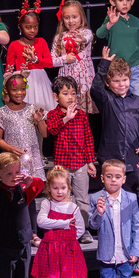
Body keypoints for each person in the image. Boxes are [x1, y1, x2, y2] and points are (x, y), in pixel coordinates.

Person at [0, 72, 47, 241]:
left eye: (23, 89)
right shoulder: (2, 113)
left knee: (29, 198)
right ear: (6, 90)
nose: (19, 93)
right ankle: (15, 232)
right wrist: (10, 148)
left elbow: (44, 134)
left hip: (31, 161)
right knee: (15, 198)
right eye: (15, 89)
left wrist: (40, 120)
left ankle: (33, 233)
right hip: (14, 163)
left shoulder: (32, 109)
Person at [89, 159, 139, 278]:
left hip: (125, 252)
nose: (113, 180)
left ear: (124, 179)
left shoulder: (131, 198)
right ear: (102, 178)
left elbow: (136, 226)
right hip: (107, 252)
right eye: (109, 176)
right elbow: (93, 225)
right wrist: (99, 212)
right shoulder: (96, 198)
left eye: (117, 176)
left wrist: (135, 250)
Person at [34, 166, 87, 278]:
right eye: (55, 187)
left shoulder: (73, 207)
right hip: (51, 249)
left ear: (68, 188)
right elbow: (41, 221)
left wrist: (69, 240)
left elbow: (80, 228)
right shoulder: (47, 203)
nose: (59, 191)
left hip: (68, 249)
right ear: (49, 187)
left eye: (63, 187)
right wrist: (62, 224)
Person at [91, 49, 139, 194]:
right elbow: (95, 89)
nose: (121, 84)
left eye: (125, 80)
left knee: (132, 200)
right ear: (108, 82)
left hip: (132, 159)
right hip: (110, 160)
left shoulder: (138, 101)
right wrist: (104, 64)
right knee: (109, 199)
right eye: (116, 81)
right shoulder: (106, 99)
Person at [45, 76, 97, 243]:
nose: (70, 97)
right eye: (65, 93)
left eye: (73, 93)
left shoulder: (81, 115)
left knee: (82, 198)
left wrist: (90, 162)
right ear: (55, 97)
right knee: (62, 198)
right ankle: (62, 227)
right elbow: (51, 131)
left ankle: (84, 230)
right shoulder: (53, 115)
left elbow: (89, 139)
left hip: (80, 164)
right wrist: (66, 118)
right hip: (62, 166)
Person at [98, 0, 139, 100]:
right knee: (117, 100)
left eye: (128, 0)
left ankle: (138, 119)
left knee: (138, 99)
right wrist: (110, 23)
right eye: (120, 0)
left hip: (134, 66)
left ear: (132, 1)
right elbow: (100, 34)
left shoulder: (136, 21)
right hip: (117, 67)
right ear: (113, 2)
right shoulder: (112, 19)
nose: (125, 3)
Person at [5, 0, 56, 111]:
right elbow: (8, 70)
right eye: (28, 27)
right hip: (22, 81)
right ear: (20, 27)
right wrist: (7, 90)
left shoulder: (41, 42)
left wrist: (36, 60)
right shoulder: (14, 45)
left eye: (35, 27)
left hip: (40, 82)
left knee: (42, 110)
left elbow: (50, 63)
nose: (32, 30)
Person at [52, 0, 97, 113]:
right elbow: (51, 60)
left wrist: (82, 39)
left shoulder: (85, 32)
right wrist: (64, 59)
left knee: (83, 112)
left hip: (84, 79)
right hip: (66, 77)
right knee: (68, 110)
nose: (71, 21)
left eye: (74, 17)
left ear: (81, 17)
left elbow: (89, 37)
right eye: (67, 18)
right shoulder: (59, 37)